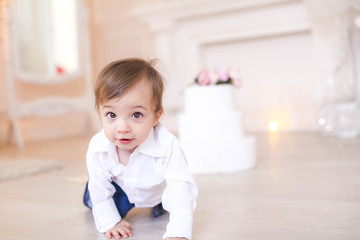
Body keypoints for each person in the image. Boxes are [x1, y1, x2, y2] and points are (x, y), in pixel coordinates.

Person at [83, 58, 198, 240]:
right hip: (121, 189)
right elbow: (99, 189)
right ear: (100, 113)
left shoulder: (166, 145)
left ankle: (158, 204)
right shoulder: (99, 148)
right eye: (111, 115)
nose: (122, 127)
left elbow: (181, 187)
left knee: (170, 201)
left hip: (157, 189)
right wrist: (110, 223)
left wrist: (179, 231)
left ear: (155, 117)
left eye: (136, 115)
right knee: (93, 195)